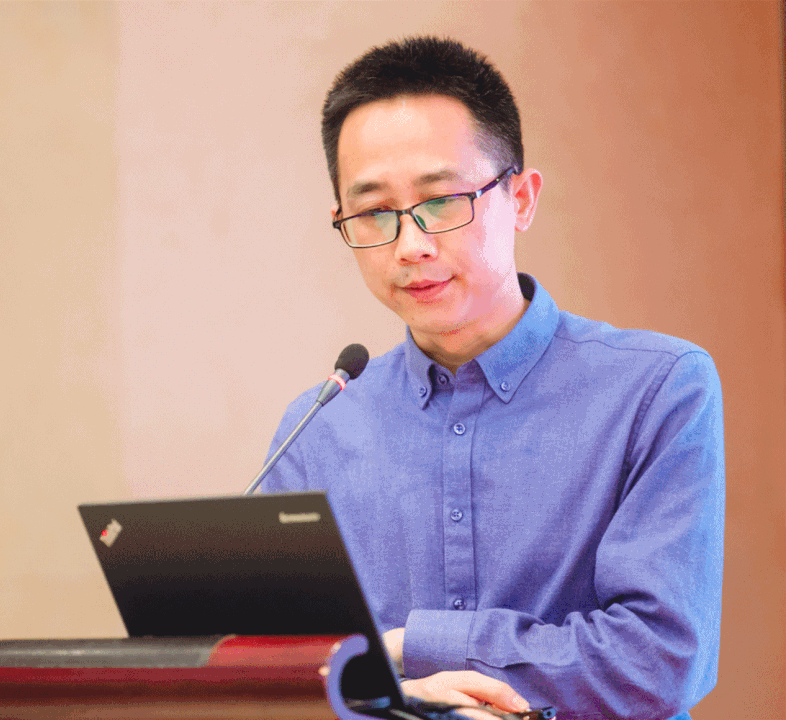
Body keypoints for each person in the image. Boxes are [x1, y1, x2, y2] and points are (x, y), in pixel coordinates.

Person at [258, 36, 724, 720]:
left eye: (443, 200)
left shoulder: (659, 389)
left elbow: (658, 661)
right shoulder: (318, 427)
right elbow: (280, 675)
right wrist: (402, 695)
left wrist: (409, 647)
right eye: (374, 212)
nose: (410, 245)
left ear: (521, 198)